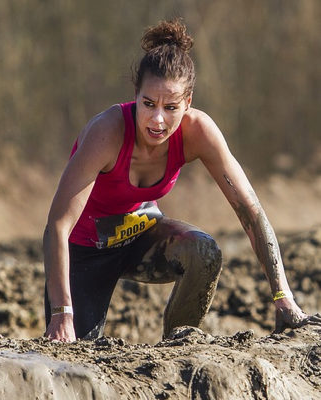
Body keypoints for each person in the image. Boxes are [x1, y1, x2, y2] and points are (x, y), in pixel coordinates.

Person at [43, 18, 310, 342]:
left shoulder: (199, 132)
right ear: (135, 95)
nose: (157, 120)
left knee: (203, 252)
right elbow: (57, 224)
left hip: (140, 233)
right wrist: (62, 313)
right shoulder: (107, 132)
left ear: (188, 102)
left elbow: (251, 212)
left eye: (170, 107)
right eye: (148, 104)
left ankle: (176, 346)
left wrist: (283, 296)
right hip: (86, 250)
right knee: (75, 356)